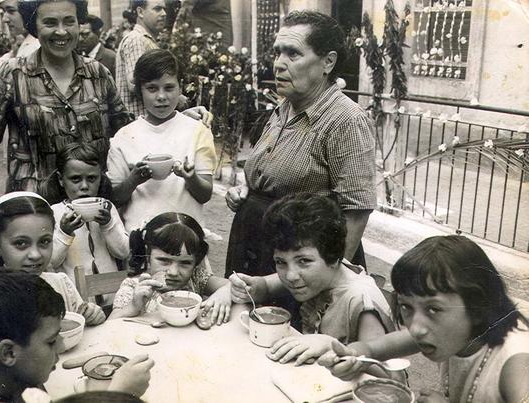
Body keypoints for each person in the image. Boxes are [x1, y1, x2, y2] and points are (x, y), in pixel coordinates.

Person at [0, 0, 211, 217]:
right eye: (50, 22)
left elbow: (130, 129)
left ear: (79, 23)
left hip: (92, 208)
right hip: (33, 212)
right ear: (35, 25)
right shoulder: (13, 74)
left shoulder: (98, 74)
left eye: (69, 21)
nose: (61, 31)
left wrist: (178, 118)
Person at [224, 11, 376, 280]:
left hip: (302, 267)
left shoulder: (346, 120)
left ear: (328, 62)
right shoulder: (285, 107)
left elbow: (356, 213)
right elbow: (277, 176)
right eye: (277, 53)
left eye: (293, 54)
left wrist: (328, 283)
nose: (279, 64)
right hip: (256, 246)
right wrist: (247, 192)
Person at [318, 235, 529, 403]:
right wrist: (355, 355)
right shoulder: (452, 333)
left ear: (477, 305)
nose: (416, 328)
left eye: (433, 309)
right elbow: (376, 348)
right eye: (406, 307)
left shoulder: (517, 363)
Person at [0, 269, 154, 403]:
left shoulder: (15, 377)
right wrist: (117, 395)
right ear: (8, 353)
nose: (61, 347)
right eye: (52, 341)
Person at [230, 193, 394, 365]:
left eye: (304, 261)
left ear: (333, 255)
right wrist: (251, 287)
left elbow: (382, 373)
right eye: (280, 262)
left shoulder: (361, 300)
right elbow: (265, 287)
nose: (290, 276)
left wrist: (329, 345)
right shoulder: (320, 275)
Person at [107, 49, 216, 232]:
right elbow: (115, 197)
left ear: (180, 87)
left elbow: (205, 194)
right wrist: (133, 180)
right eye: (152, 88)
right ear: (139, 90)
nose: (161, 97)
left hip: (185, 240)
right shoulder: (124, 137)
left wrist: (191, 178)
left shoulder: (197, 131)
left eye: (169, 87)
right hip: (139, 239)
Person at [0, 191, 106, 326]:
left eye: (44, 242)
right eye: (21, 243)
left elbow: (79, 321)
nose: (36, 255)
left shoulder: (61, 284)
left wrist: (91, 315)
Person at [109, 212, 232, 325]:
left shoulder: (196, 277)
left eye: (185, 263)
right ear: (148, 254)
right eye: (164, 261)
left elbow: (232, 285)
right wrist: (133, 307)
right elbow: (109, 325)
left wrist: (224, 292)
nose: (173, 272)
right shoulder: (133, 287)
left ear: (196, 262)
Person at [42, 143, 130, 285]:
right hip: (75, 296)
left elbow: (124, 252)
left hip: (111, 292)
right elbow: (49, 261)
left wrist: (108, 225)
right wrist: (64, 233)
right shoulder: (53, 213)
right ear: (61, 179)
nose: (84, 186)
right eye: (75, 179)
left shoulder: (107, 208)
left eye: (92, 178)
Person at [116, 0, 166, 118]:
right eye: (157, 9)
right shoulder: (137, 40)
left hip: (147, 121)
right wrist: (174, 95)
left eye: (165, 9)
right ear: (140, 12)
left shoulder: (146, 40)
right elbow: (135, 84)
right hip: (139, 121)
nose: (164, 13)